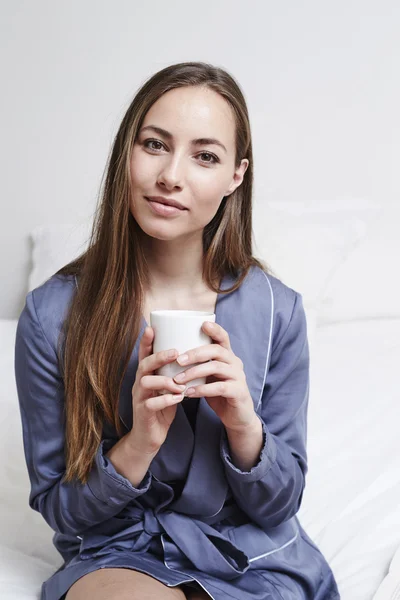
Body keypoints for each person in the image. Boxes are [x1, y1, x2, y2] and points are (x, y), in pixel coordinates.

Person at [14, 61, 340, 600]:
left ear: (236, 176)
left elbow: (280, 505)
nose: (171, 175)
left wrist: (243, 427)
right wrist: (140, 443)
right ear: (127, 154)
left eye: (205, 156)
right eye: (155, 144)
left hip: (252, 556)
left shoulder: (277, 311)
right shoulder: (53, 317)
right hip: (120, 555)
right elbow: (63, 510)